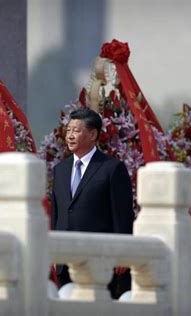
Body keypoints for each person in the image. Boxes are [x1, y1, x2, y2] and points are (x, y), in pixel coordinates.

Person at [51, 107, 134, 299]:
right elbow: (58, 213)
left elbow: (122, 214)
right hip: (65, 259)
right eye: (69, 130)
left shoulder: (112, 168)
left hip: (99, 259)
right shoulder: (60, 170)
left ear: (93, 134)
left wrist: (123, 252)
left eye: (76, 131)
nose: (70, 136)